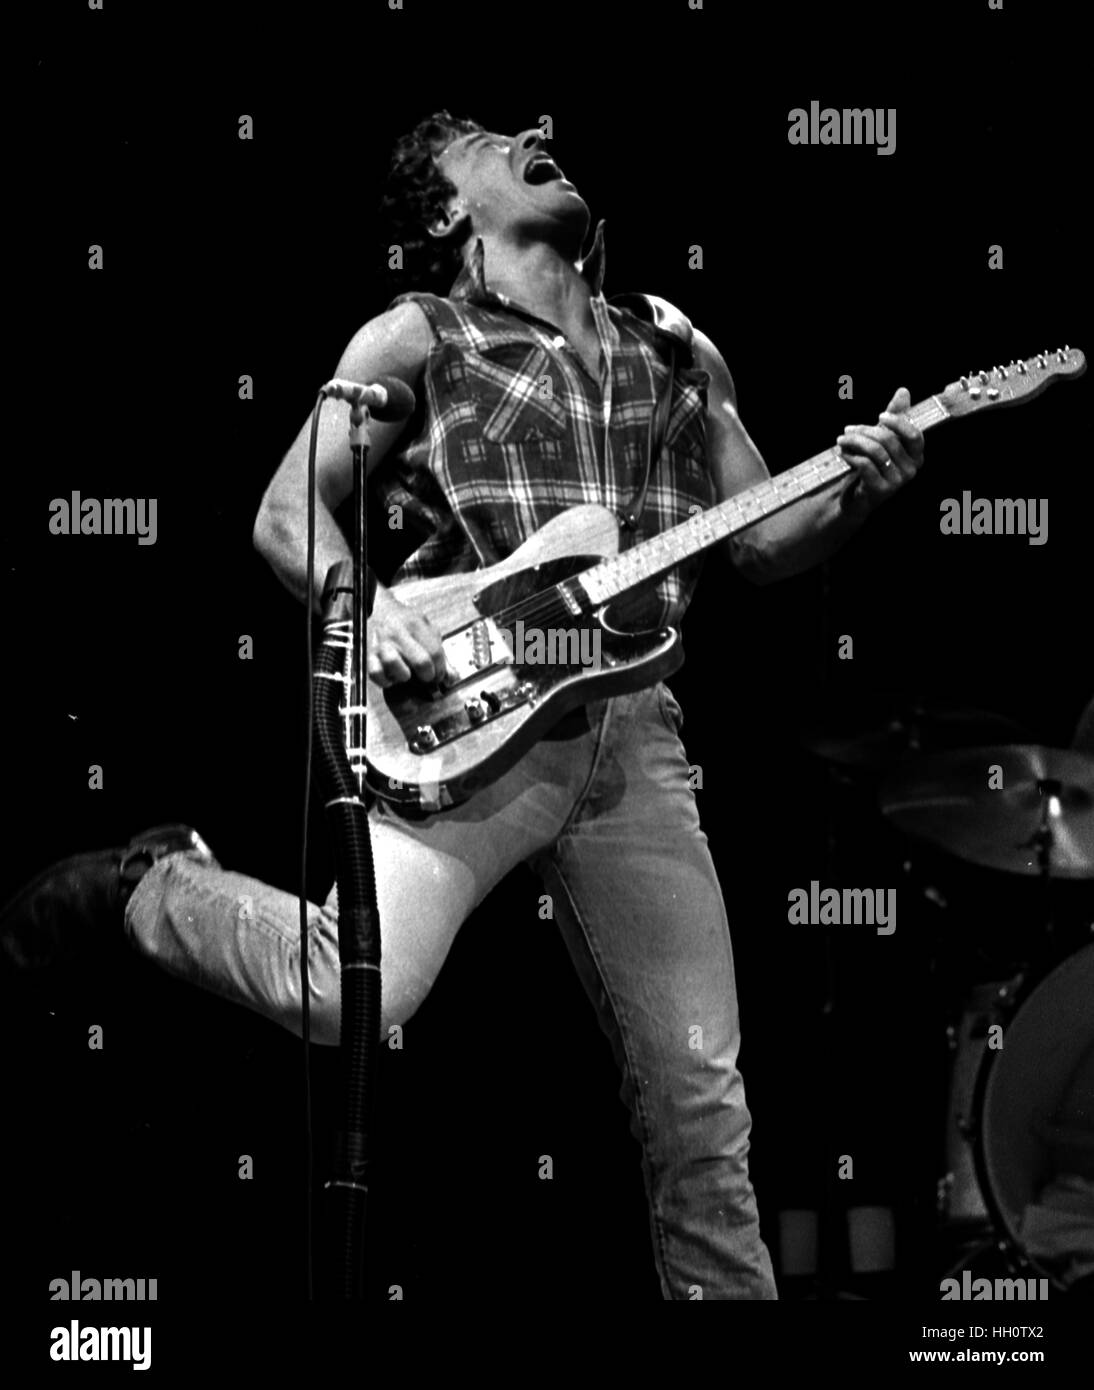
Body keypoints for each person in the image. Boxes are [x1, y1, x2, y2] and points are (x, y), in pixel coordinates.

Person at [0, 112, 925, 1299]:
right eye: (493, 140)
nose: (538, 129)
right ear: (447, 217)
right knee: (345, 991)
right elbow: (289, 514)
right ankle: (154, 881)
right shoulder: (417, 336)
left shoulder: (679, 346)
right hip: (468, 717)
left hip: (634, 742)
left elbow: (762, 539)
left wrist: (861, 490)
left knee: (702, 1102)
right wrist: (368, 604)